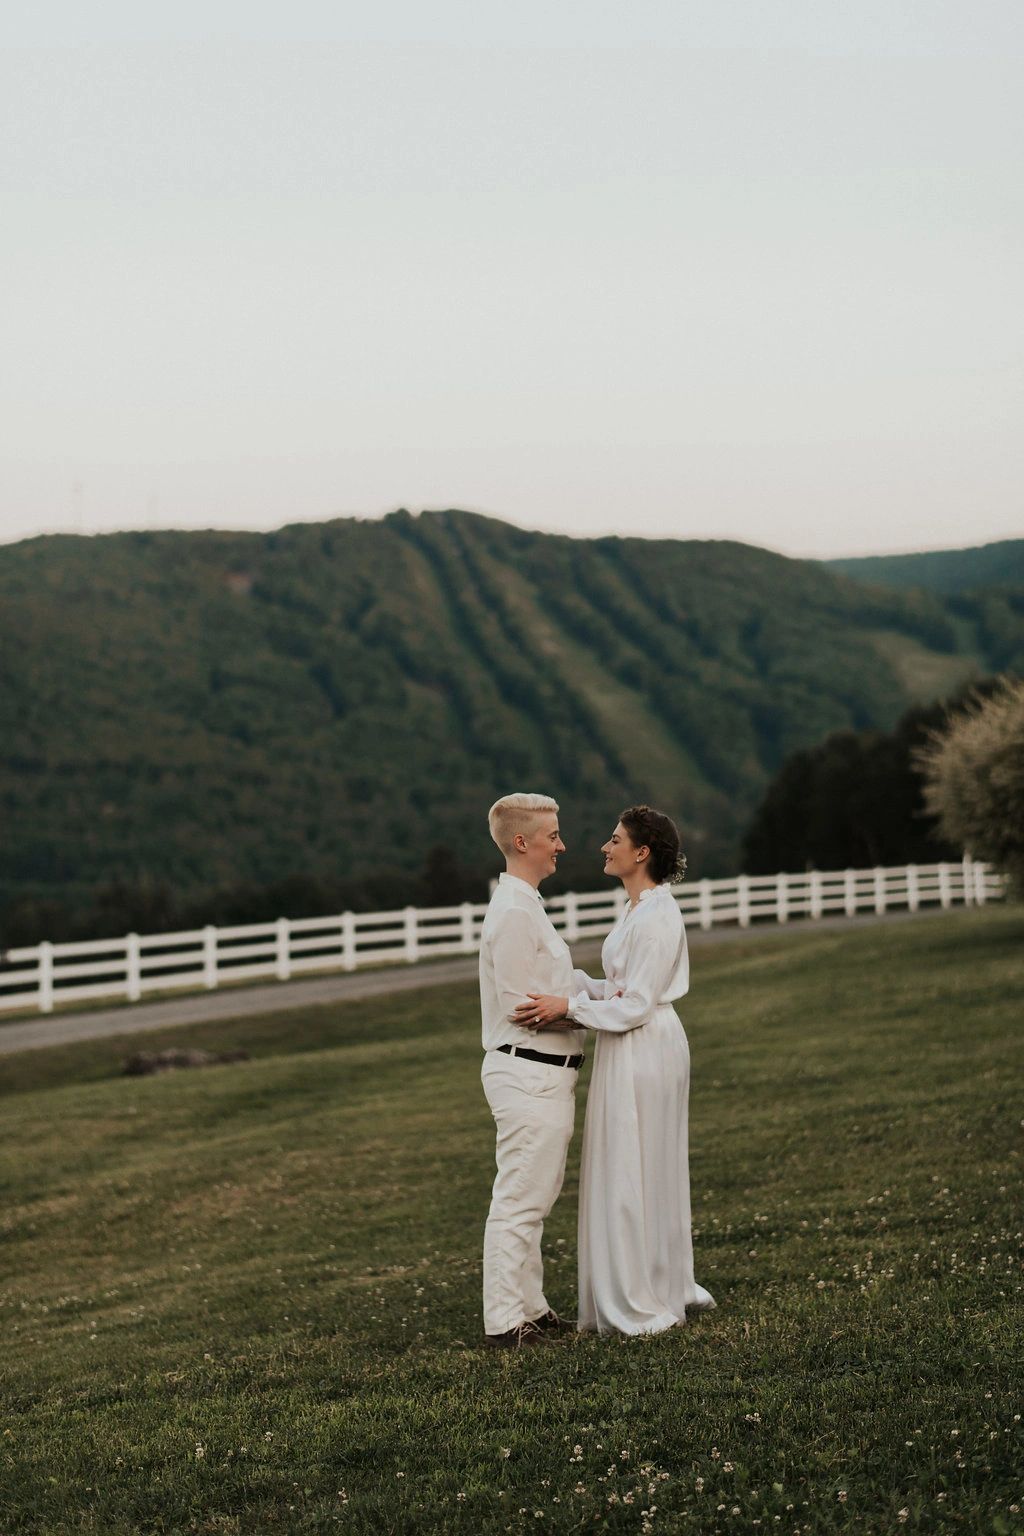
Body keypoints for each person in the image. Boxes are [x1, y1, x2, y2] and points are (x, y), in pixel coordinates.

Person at [514, 804, 715, 1335]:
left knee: (636, 1161)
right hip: (631, 1042)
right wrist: (577, 983)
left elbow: (637, 1005)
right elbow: (623, 989)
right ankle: (646, 1277)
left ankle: (643, 1292)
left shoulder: (656, 916)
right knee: (631, 1159)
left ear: (642, 852)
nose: (605, 846)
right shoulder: (636, 910)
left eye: (615, 839)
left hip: (645, 1044)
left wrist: (569, 1008)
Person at [478, 792, 584, 1348]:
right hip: (528, 1071)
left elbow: (551, 993)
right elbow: (524, 1006)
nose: (561, 845)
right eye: (553, 835)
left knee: (535, 1197)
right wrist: (593, 1012)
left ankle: (533, 1307)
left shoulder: (526, 904)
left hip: (544, 1073)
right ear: (523, 842)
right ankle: (504, 1321)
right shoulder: (516, 912)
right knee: (520, 1198)